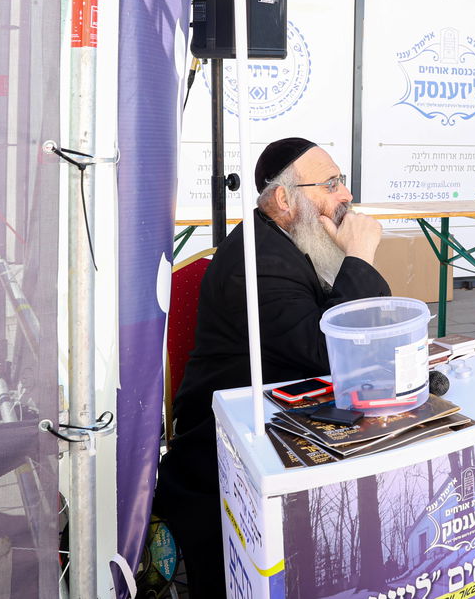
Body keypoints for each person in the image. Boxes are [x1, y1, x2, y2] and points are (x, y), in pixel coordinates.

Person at [154, 138, 388, 596]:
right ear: (285, 199)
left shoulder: (295, 238)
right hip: (230, 439)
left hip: (290, 411)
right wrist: (359, 258)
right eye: (333, 184)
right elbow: (327, 350)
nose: (347, 196)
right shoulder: (256, 260)